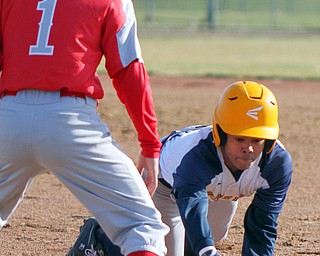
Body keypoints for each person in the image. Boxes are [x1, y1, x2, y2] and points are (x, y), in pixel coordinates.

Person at [0, 0, 169, 256]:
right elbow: (128, 70)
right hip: (70, 121)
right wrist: (150, 144)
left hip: (8, 117)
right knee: (142, 227)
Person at [69, 81, 293, 256]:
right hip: (166, 185)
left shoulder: (277, 164)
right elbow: (192, 207)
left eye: (257, 140)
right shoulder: (196, 158)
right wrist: (206, 251)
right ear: (221, 133)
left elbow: (263, 222)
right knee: (160, 246)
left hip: (217, 191)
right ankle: (99, 238)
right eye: (240, 138)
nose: (249, 149)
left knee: (211, 236)